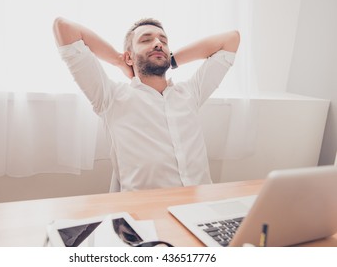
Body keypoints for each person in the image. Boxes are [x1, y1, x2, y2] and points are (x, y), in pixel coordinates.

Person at [53, 17, 240, 192]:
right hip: (146, 215)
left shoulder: (190, 93)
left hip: (201, 207)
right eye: (146, 40)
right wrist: (120, 60)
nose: (158, 43)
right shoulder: (111, 97)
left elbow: (231, 40)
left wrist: (171, 59)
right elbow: (64, 27)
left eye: (163, 42)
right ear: (129, 57)